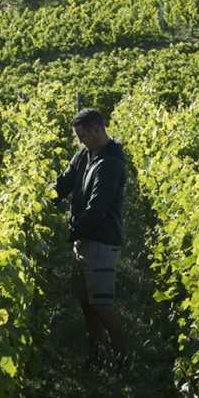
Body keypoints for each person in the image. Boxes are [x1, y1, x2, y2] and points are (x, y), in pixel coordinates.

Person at [54, 107, 129, 364]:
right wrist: (41, 200)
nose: (80, 141)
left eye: (83, 135)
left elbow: (97, 210)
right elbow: (63, 183)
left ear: (98, 129)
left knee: (101, 304)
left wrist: (69, 231)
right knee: (86, 300)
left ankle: (123, 357)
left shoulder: (110, 164)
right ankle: (99, 352)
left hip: (101, 241)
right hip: (83, 238)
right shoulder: (85, 154)